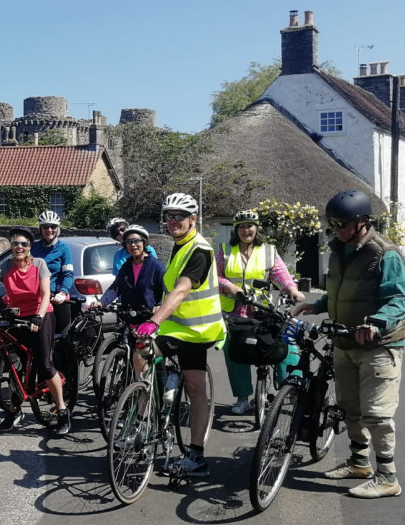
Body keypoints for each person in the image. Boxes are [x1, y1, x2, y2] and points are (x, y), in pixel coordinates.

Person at [295, 190, 405, 499]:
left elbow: (399, 300)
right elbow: (341, 290)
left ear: (362, 222)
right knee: (350, 409)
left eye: (342, 223)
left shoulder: (384, 253)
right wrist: (317, 305)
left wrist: (375, 322)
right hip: (344, 342)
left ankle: (387, 476)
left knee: (376, 413)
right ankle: (359, 462)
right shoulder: (337, 250)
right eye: (332, 223)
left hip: (380, 346)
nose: (336, 229)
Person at [133, 193, 225, 479]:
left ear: (193, 219)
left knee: (196, 388)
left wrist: (154, 320)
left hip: (197, 331)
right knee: (140, 353)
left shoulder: (199, 249)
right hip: (177, 326)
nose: (173, 221)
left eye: (179, 216)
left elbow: (183, 289)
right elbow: (172, 291)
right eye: (169, 216)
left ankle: (196, 456)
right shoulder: (178, 246)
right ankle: (143, 419)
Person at [0, 227, 71, 436]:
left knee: (45, 366)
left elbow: (46, 293)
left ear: (30, 248)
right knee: (16, 368)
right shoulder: (6, 266)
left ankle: (62, 410)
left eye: (23, 244)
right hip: (18, 316)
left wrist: (38, 315)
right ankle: (14, 409)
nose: (19, 247)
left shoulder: (39, 264)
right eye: (15, 243)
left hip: (41, 315)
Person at [216, 210, 306, 415]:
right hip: (233, 310)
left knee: (281, 343)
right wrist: (230, 287)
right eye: (241, 226)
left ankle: (290, 387)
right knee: (235, 352)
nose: (246, 230)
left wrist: (291, 289)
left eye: (250, 226)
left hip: (261, 308)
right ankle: (242, 398)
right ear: (236, 230)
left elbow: (280, 273)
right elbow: (216, 276)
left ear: (257, 229)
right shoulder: (225, 251)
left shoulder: (268, 251)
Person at [92, 224, 166, 376]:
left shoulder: (156, 266)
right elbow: (116, 287)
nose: (133, 245)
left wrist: (159, 305)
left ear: (144, 243)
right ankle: (134, 389)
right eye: (128, 242)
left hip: (149, 319)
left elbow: (167, 289)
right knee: (134, 357)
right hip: (129, 316)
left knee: (152, 360)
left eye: (136, 241)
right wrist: (102, 302)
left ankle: (161, 392)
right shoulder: (126, 267)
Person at [30, 210, 75, 333]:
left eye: (53, 226)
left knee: (63, 335)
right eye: (45, 227)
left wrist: (63, 292)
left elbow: (68, 273)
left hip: (57, 296)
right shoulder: (33, 247)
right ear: (40, 229)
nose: (49, 230)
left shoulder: (64, 248)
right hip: (38, 297)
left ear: (58, 228)